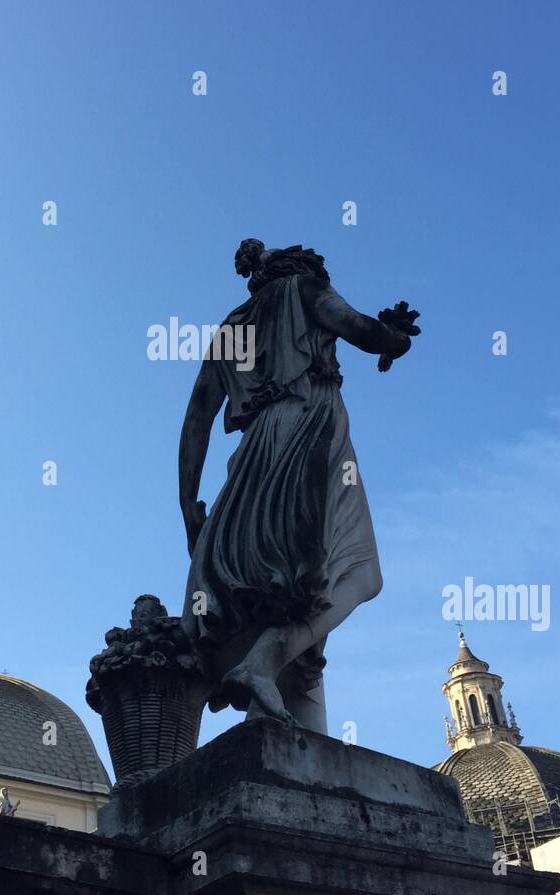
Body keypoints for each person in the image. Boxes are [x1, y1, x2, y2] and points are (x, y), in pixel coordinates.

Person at [178, 239, 419, 733]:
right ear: (304, 270)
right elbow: (361, 330)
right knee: (357, 571)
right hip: (311, 428)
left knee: (277, 582)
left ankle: (271, 691)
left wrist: (187, 504)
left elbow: (198, 414)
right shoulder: (305, 291)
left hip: (253, 451)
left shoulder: (231, 327)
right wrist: (395, 337)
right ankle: (266, 661)